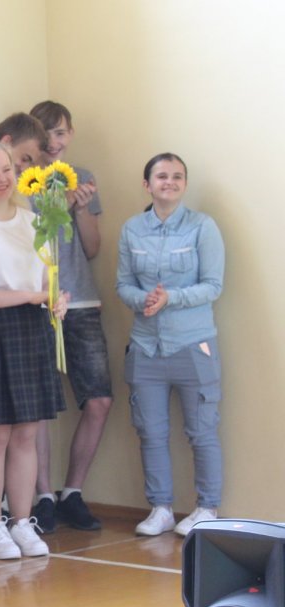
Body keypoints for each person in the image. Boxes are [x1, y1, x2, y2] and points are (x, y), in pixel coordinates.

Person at [0, 141, 68, 561]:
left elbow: (46, 279)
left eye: (6, 170)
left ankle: (22, 521)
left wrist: (55, 299)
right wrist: (32, 296)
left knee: (26, 432)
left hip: (32, 327)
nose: (2, 179)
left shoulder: (34, 220)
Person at [117, 153, 225, 537]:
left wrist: (170, 299)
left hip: (194, 345)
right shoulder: (132, 229)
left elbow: (213, 285)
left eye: (178, 176)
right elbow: (123, 284)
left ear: (185, 184)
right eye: (162, 176)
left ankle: (207, 509)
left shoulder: (202, 227)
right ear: (147, 184)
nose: (170, 182)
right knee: (151, 432)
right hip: (145, 348)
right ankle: (160, 508)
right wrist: (142, 300)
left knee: (202, 432)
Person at [28, 101, 111, 533]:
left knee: (99, 399)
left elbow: (92, 249)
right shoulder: (24, 181)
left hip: (81, 302)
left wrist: (79, 208)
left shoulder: (82, 176)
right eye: (45, 135)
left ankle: (72, 492)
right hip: (37, 302)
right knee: (40, 406)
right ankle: (42, 495)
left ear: (70, 134)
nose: (53, 143)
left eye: (60, 133)